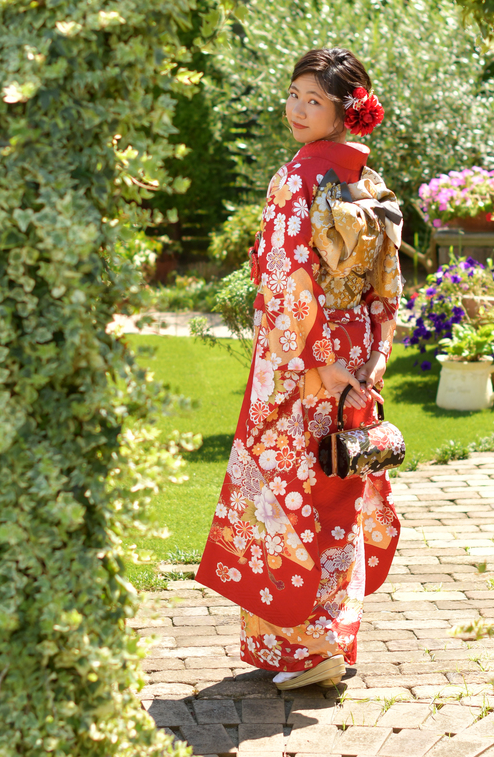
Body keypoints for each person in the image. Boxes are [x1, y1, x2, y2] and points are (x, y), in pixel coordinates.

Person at [195, 47, 403, 690]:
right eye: (293, 95)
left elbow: (287, 276)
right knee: (339, 485)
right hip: (352, 353)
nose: (297, 109)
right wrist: (371, 355)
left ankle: (306, 650)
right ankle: (333, 638)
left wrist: (320, 361)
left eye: (314, 100)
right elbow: (387, 283)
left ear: (345, 111)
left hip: (300, 360)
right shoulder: (369, 181)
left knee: (288, 493)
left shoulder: (296, 177)